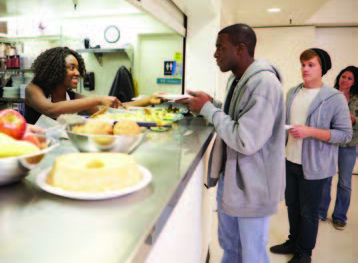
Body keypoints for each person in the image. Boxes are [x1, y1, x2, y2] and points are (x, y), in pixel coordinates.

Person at [178, 24, 286, 263]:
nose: (215, 54)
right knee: (231, 247)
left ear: (240, 49)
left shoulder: (264, 84)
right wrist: (210, 103)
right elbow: (236, 117)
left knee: (252, 255)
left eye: (220, 48)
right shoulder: (237, 81)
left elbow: (245, 139)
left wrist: (207, 109)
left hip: (254, 187)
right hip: (234, 183)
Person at [270, 49, 352, 263]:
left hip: (316, 166)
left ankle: (304, 254)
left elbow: (345, 134)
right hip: (290, 160)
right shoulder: (293, 92)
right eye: (303, 65)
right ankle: (293, 241)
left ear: (322, 68)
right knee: (292, 205)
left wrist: (310, 131)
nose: (305, 69)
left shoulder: (334, 98)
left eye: (311, 65)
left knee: (308, 212)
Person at [25, 47, 164, 124]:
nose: (77, 73)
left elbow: (112, 110)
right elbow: (51, 109)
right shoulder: (33, 89)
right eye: (71, 68)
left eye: (78, 69)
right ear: (55, 69)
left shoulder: (72, 97)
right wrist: (97, 99)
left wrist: (148, 100)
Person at [319, 65, 358, 230]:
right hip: (331, 143)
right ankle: (320, 211)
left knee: (344, 182)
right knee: (325, 178)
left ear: (354, 82)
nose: (345, 80)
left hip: (349, 145)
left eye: (350, 78)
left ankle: (340, 216)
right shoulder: (329, 94)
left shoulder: (357, 98)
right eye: (343, 76)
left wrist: (354, 119)